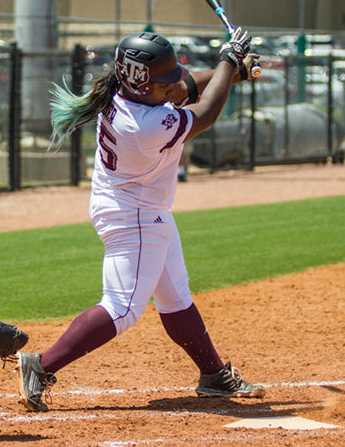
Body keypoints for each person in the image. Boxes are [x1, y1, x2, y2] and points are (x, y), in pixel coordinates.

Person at [15, 30, 265, 412]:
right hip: (135, 214)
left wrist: (232, 72)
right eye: (162, 84)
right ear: (145, 84)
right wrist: (228, 62)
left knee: (175, 297)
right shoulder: (146, 124)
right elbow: (206, 110)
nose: (171, 88)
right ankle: (42, 365)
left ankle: (213, 374)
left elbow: (183, 86)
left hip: (132, 205)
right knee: (121, 307)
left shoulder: (126, 92)